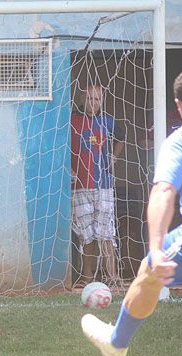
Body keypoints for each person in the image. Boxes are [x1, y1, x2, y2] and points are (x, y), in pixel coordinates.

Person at [81, 66, 182, 356]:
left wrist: (156, 249)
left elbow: (163, 193)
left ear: (179, 106)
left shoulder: (181, 141)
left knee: (147, 274)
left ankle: (117, 344)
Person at [70, 83, 125, 288]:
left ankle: (112, 275)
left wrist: (114, 158)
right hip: (79, 186)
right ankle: (87, 277)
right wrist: (69, 167)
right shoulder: (72, 121)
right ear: (82, 100)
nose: (93, 103)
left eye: (97, 99)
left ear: (102, 102)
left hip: (104, 185)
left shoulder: (107, 122)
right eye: (90, 98)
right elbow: (61, 146)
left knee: (106, 232)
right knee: (86, 235)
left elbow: (122, 138)